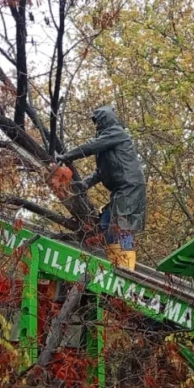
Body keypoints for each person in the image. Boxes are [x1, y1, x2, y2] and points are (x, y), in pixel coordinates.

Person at [50, 106, 146, 270]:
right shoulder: (107, 144)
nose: (95, 126)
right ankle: (113, 262)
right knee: (105, 224)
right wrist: (85, 183)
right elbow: (101, 172)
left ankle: (126, 268)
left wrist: (67, 156)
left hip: (130, 188)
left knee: (123, 228)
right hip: (119, 190)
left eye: (97, 122)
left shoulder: (116, 133)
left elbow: (91, 146)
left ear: (104, 120)